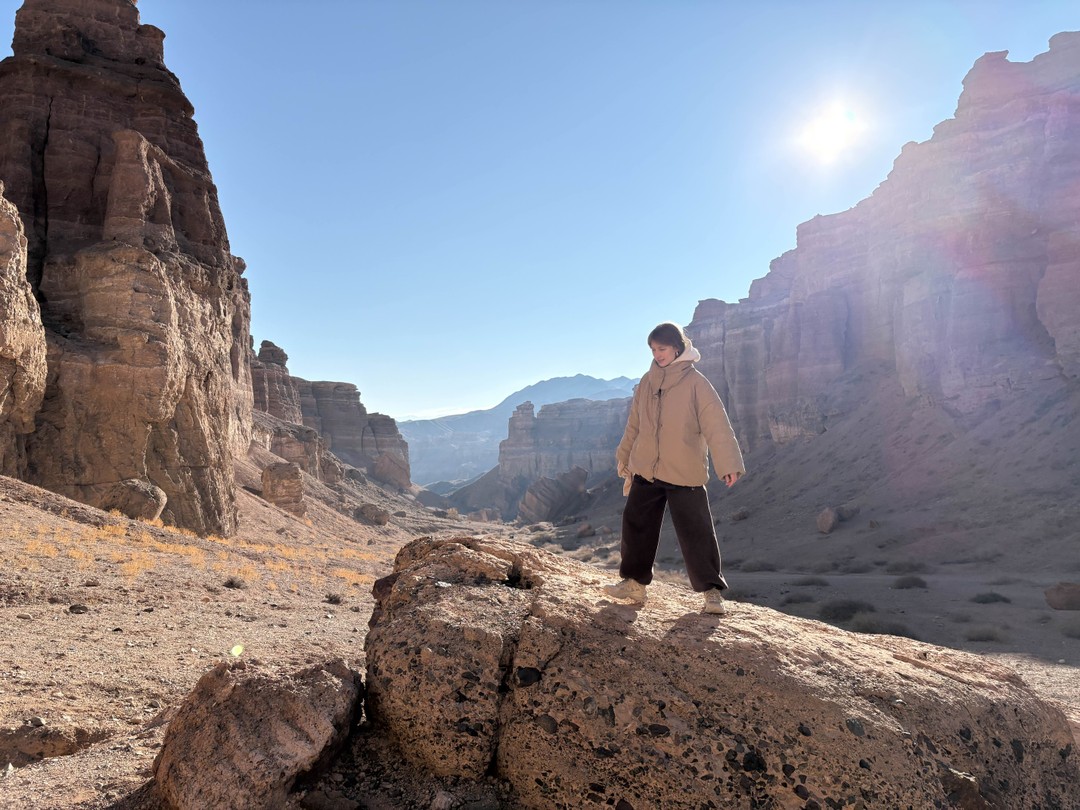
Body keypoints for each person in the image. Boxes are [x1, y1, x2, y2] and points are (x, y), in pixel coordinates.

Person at [604, 322, 745, 615]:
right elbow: (634, 424)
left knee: (697, 531)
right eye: (653, 350)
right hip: (647, 468)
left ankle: (711, 593)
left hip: (684, 470)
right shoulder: (647, 382)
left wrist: (728, 464)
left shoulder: (696, 383)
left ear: (677, 348)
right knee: (635, 524)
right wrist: (624, 456)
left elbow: (716, 424)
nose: (657, 355)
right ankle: (634, 584)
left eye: (662, 349)